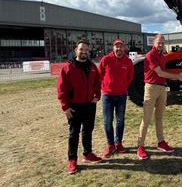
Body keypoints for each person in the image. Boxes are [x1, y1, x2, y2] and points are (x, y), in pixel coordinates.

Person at [137, 34, 182, 160]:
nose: (160, 44)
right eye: (158, 42)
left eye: (162, 43)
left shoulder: (161, 56)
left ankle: (161, 142)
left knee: (159, 117)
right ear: (153, 43)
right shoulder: (150, 55)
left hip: (162, 88)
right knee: (146, 118)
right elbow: (159, 72)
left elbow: (163, 74)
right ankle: (140, 146)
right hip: (151, 88)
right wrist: (177, 76)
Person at [57, 40, 102, 175]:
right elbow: (61, 89)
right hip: (74, 106)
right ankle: (72, 159)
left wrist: (97, 96)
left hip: (89, 105)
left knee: (88, 130)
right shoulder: (68, 68)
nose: (84, 52)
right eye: (81, 49)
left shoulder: (93, 67)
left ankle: (87, 153)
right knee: (73, 134)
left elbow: (98, 83)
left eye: (86, 50)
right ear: (76, 50)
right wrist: (65, 107)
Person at [99, 39, 134, 157]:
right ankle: (110, 144)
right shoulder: (106, 59)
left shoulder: (128, 62)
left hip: (121, 96)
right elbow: (100, 75)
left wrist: (124, 87)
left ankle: (118, 142)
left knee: (120, 120)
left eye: (121, 47)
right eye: (116, 47)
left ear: (124, 48)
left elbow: (130, 76)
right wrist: (103, 87)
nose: (119, 49)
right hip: (107, 96)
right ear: (113, 48)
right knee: (107, 121)